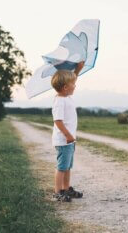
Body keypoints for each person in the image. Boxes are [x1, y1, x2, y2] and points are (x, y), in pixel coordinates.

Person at [51, 62, 84, 202]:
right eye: (72, 84)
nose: (75, 85)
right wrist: (68, 135)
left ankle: (66, 189)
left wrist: (78, 69)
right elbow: (58, 121)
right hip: (64, 140)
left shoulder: (66, 96)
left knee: (68, 166)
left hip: (69, 140)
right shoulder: (59, 102)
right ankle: (58, 192)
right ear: (65, 88)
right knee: (61, 167)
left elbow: (72, 78)